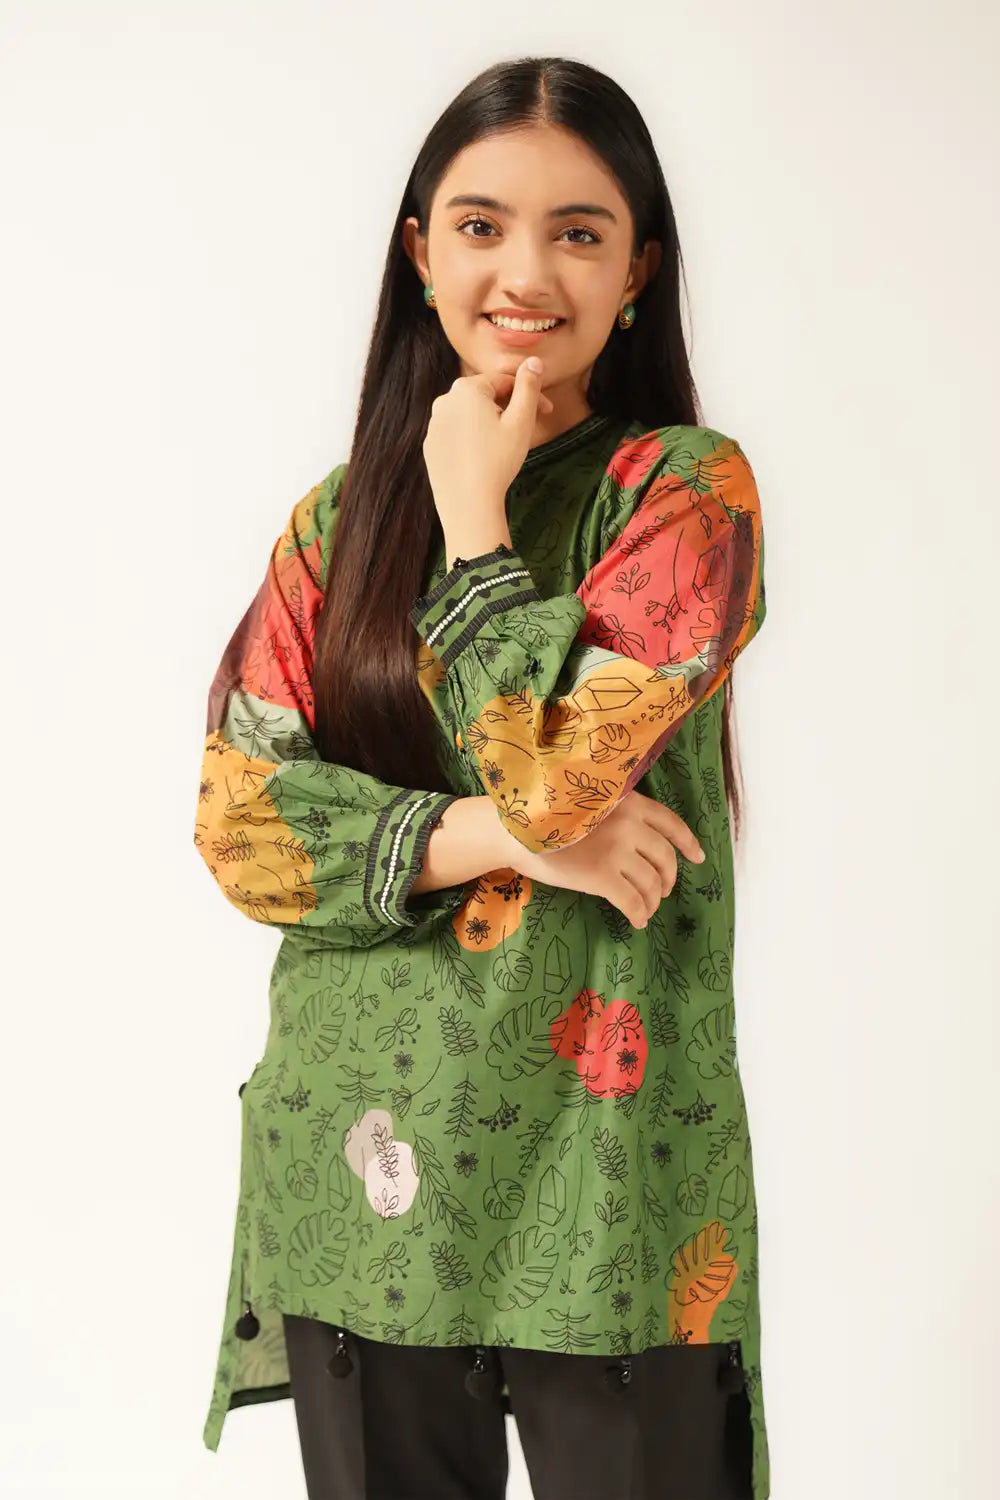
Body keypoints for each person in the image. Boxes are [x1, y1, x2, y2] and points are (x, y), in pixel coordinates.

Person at [193, 53, 770, 1500]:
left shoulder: (682, 493)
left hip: (606, 1174)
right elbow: (244, 826)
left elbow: (559, 781)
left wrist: (472, 521)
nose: (525, 271)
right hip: (365, 1164)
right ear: (419, 254)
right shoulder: (334, 529)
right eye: (479, 225)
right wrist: (497, 840)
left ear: (638, 270)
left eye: (578, 230)